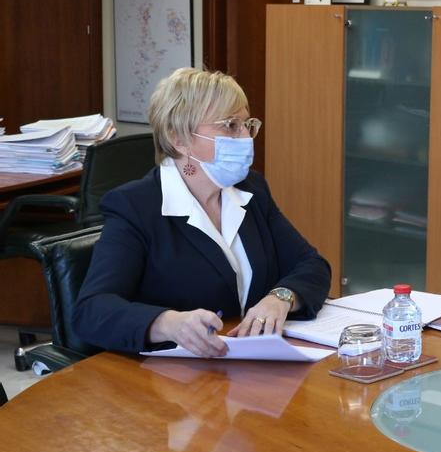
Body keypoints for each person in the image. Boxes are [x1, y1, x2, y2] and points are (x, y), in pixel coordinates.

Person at [74, 68, 330, 357]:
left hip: (246, 367)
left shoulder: (251, 190)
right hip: (169, 382)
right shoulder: (134, 206)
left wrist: (280, 298)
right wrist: (168, 323)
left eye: (248, 124)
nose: (246, 137)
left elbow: (312, 264)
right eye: (230, 125)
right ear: (178, 139)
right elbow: (91, 310)